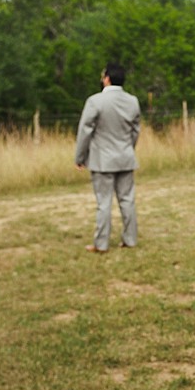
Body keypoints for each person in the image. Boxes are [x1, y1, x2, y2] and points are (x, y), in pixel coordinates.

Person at [74, 63, 141, 253]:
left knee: (104, 203)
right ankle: (130, 239)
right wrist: (128, 148)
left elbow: (85, 131)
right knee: (127, 200)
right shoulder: (133, 101)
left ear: (107, 79)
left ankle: (101, 244)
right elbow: (136, 130)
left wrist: (80, 157)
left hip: (102, 161)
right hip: (126, 158)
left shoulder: (95, 101)